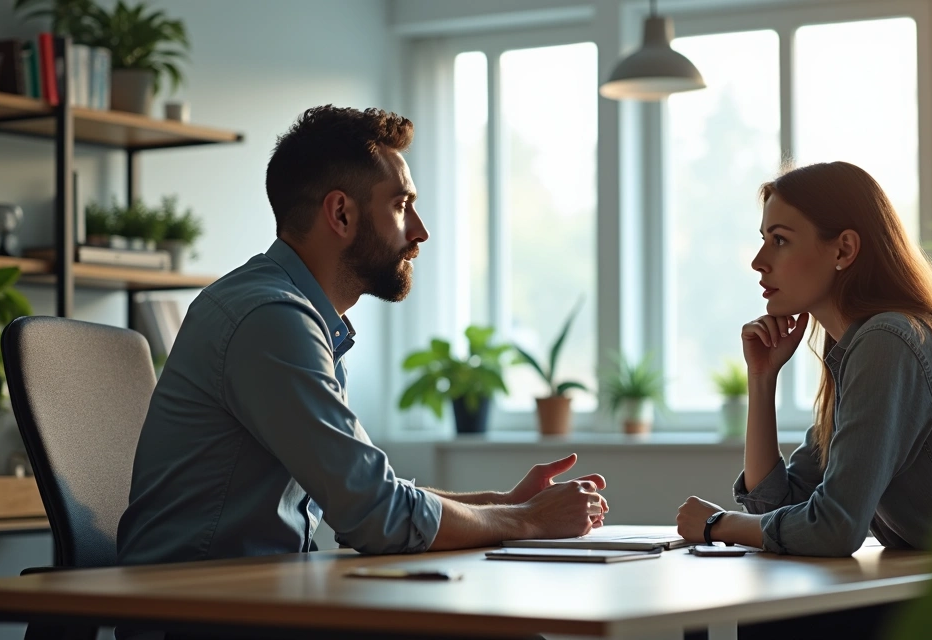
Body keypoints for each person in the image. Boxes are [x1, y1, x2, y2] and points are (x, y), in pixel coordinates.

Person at [118, 105, 607, 566]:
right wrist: (528, 520)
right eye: (401, 205)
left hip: (255, 597)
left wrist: (504, 504)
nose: (420, 231)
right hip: (196, 613)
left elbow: (371, 495)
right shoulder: (271, 318)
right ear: (342, 214)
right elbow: (376, 517)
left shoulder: (294, 313)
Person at [676, 162, 932, 639]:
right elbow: (780, 502)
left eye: (779, 239)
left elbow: (833, 528)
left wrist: (715, 525)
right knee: (769, 620)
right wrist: (762, 378)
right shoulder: (856, 349)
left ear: (845, 249)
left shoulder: (889, 342)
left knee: (772, 623)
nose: (758, 261)